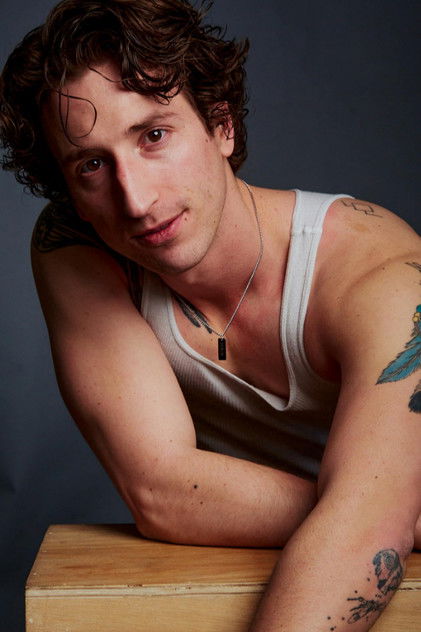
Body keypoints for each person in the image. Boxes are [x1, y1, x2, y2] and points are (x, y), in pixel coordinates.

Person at [1, 0, 420, 629]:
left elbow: (365, 533)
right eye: (92, 164)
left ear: (221, 126)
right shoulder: (75, 246)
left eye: (153, 136)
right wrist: (380, 508)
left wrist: (373, 514)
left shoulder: (380, 274)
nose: (136, 200)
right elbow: (162, 491)